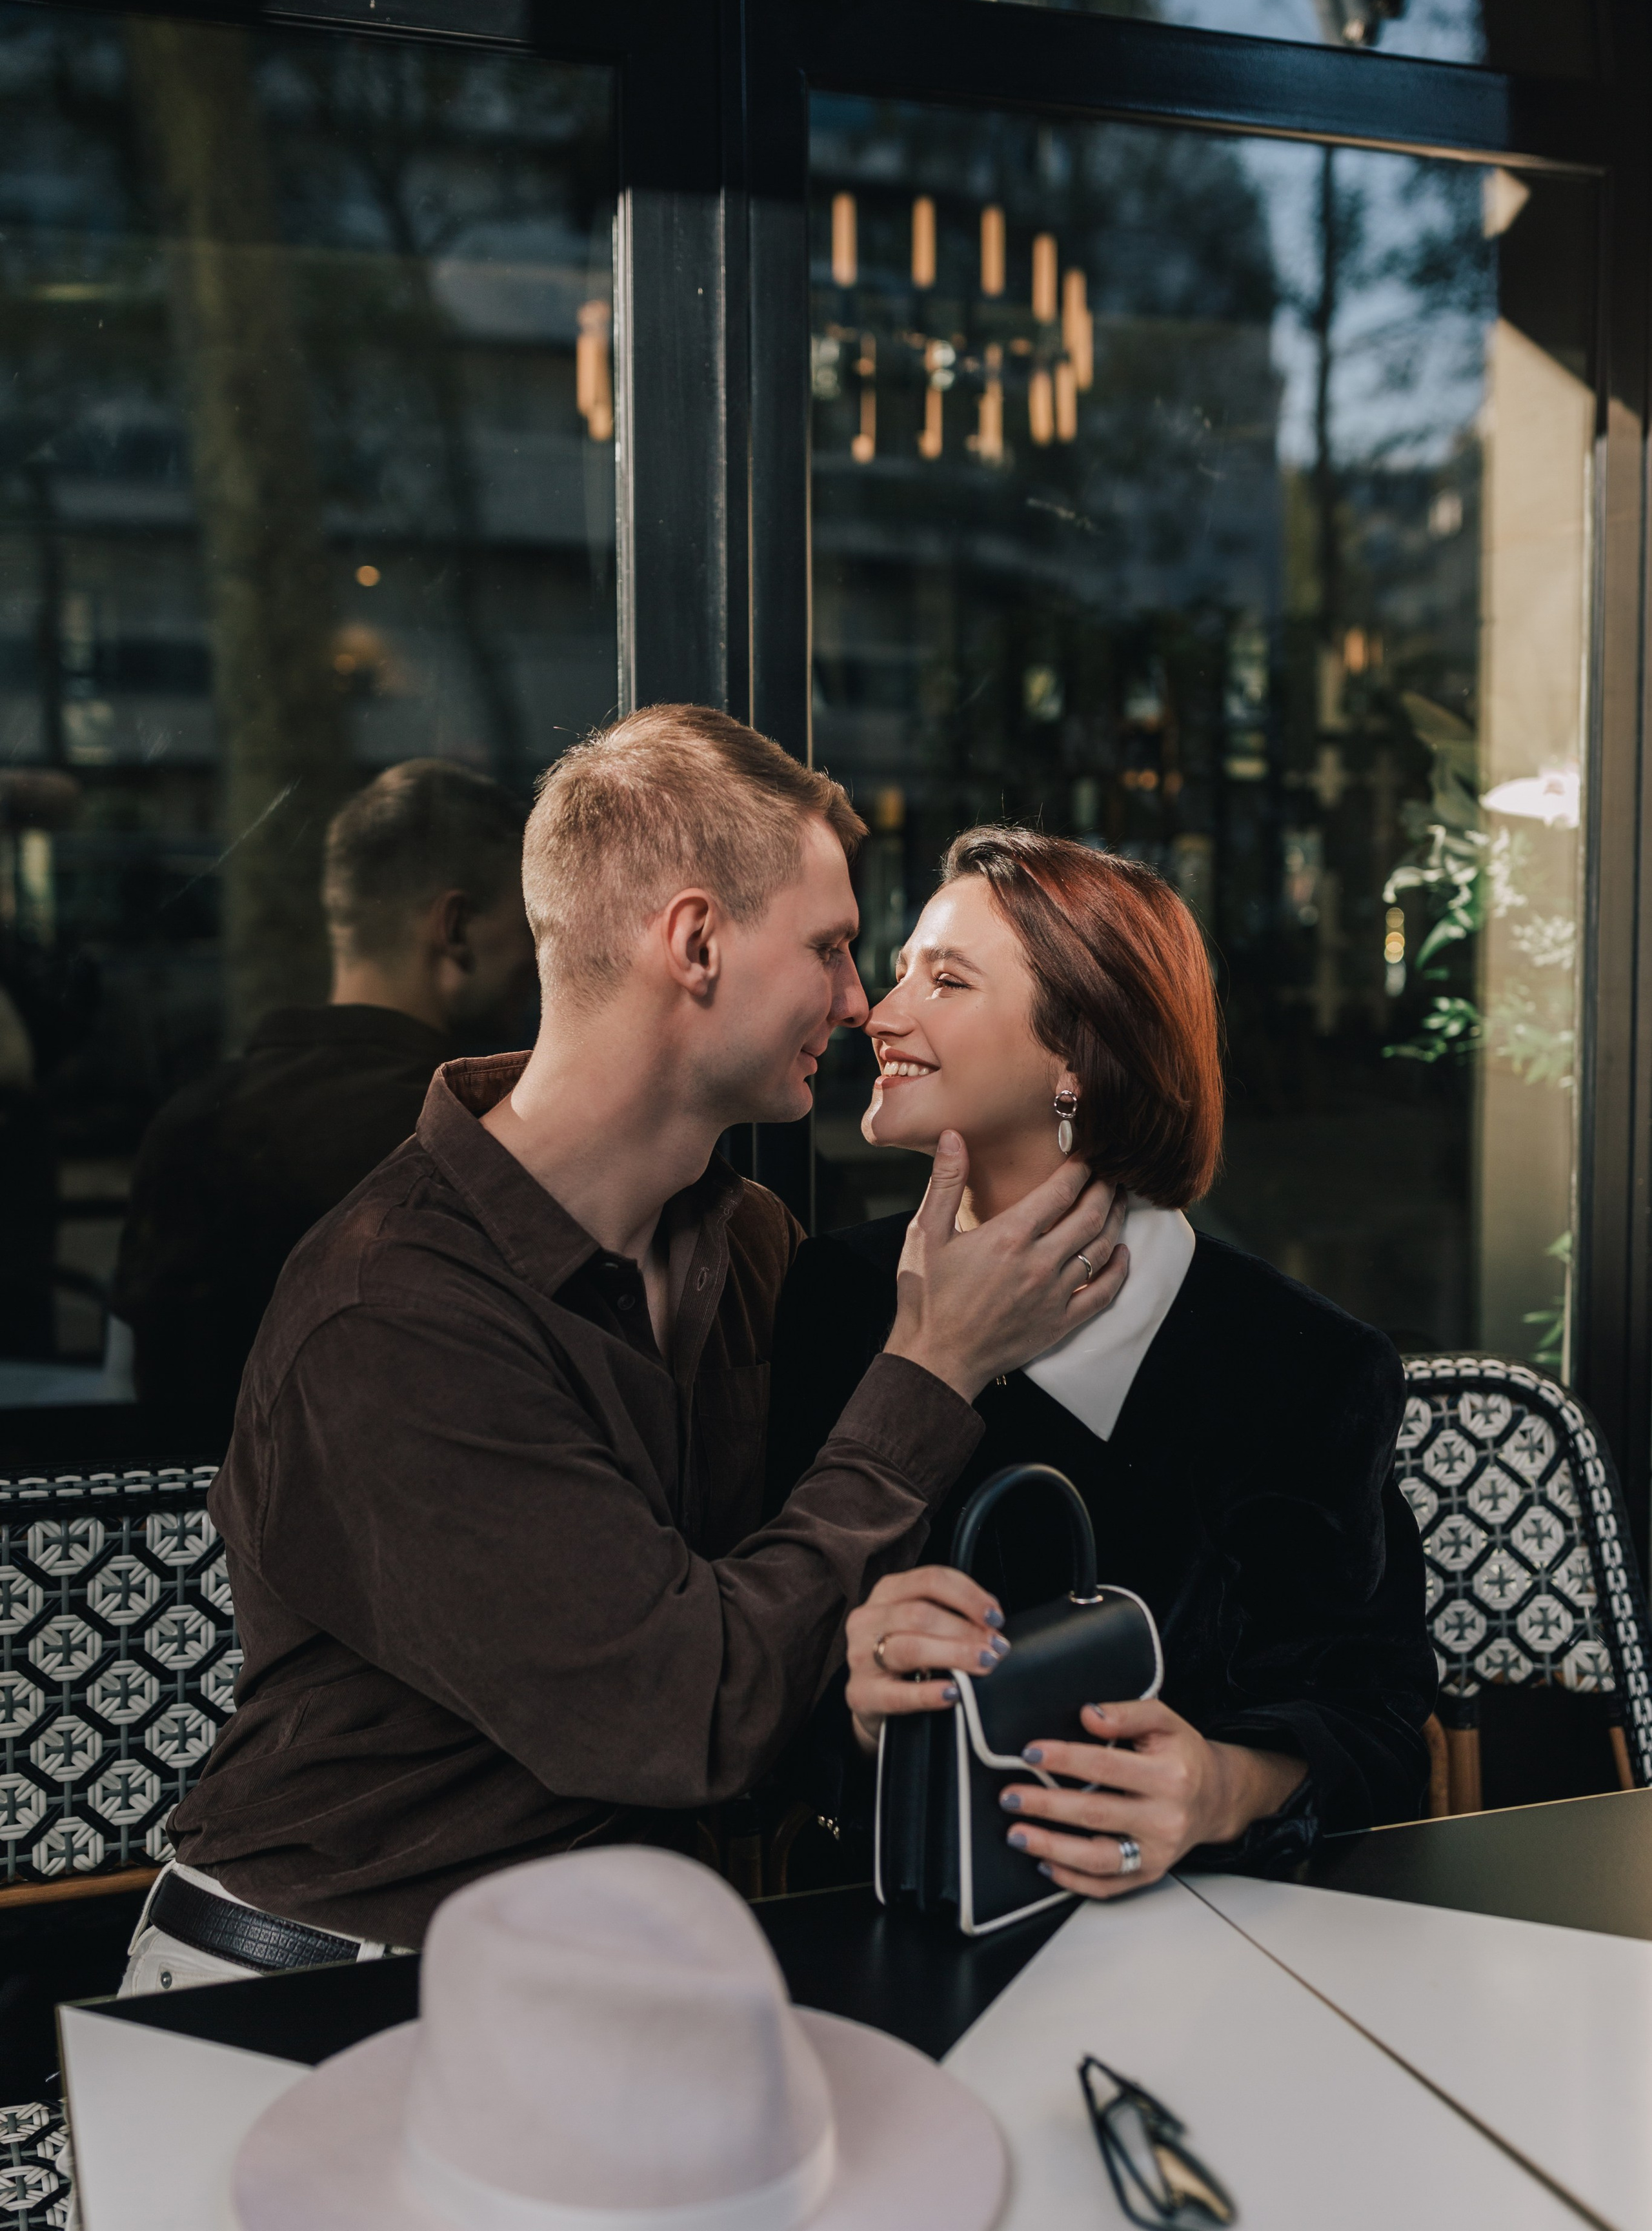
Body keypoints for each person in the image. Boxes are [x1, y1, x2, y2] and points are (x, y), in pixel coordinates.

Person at [127, 708, 1129, 1991]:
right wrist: (930, 1377)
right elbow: (683, 1712)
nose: (851, 999)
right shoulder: (390, 1314)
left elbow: (789, 1620)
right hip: (326, 1984)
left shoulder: (749, 1243)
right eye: (828, 949)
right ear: (696, 943)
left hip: (612, 1979)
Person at [769, 825, 1434, 1897]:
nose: (879, 1016)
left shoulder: (1305, 1365)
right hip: (891, 1935)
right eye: (898, 976)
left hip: (1207, 1954)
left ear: (1078, 1053)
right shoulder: (835, 1301)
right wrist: (850, 1705)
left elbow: (1380, 1731)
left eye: (946, 981)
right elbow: (764, 1703)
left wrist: (1219, 1786)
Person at [110, 759, 536, 1438]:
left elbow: (141, 1386)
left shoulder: (189, 1123)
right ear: (454, 928)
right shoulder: (481, 1140)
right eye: (532, 929)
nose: (538, 965)